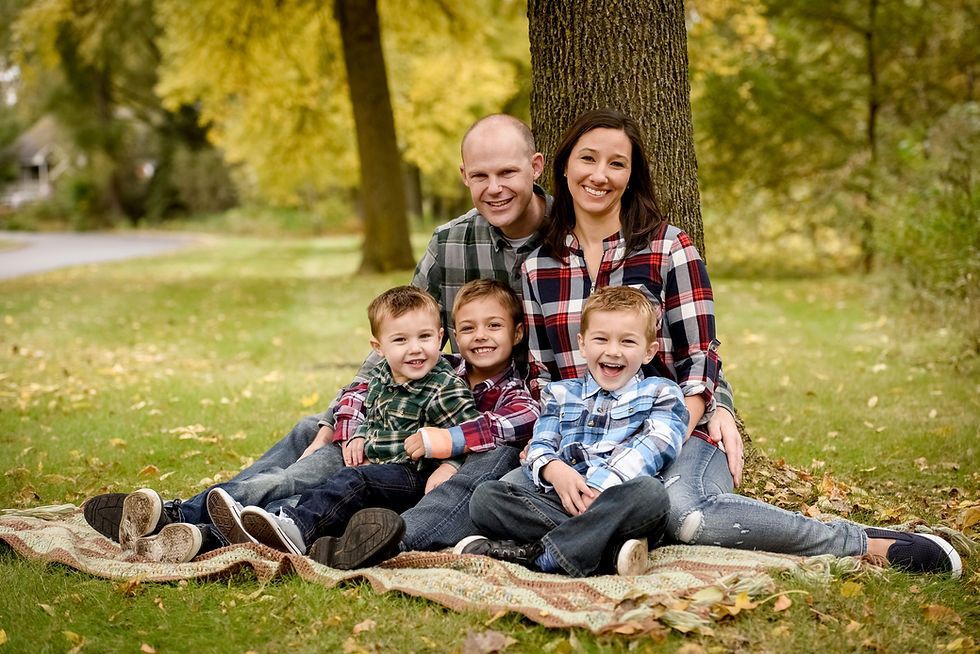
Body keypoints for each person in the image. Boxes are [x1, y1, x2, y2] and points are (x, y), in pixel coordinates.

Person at [83, 114, 552, 560]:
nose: (494, 189)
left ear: (535, 168)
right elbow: (400, 337)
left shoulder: (569, 242)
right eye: (480, 176)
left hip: (500, 429)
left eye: (507, 172)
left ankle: (218, 530)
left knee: (457, 463)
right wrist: (341, 416)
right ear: (464, 176)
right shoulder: (450, 243)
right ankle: (187, 514)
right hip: (428, 406)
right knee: (316, 431)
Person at [518, 107, 961, 577]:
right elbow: (542, 376)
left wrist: (655, 442)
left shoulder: (669, 248)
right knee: (507, 497)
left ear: (632, 175)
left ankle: (860, 542)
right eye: (588, 159)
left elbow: (699, 362)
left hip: (680, 429)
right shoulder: (538, 268)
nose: (600, 176)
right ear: (564, 165)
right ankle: (613, 538)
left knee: (689, 517)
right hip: (584, 442)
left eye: (617, 164)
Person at [216, 280, 538, 569]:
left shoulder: (509, 393)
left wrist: (450, 444)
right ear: (452, 336)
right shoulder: (438, 365)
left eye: (494, 325)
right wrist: (354, 432)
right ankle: (231, 518)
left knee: (350, 483)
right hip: (382, 458)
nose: (480, 336)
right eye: (468, 329)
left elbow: (521, 420)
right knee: (312, 439)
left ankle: (309, 530)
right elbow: (360, 390)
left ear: (517, 332)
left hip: (422, 477)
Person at [456, 287, 687, 576]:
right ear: (582, 344)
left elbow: (656, 445)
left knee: (651, 495)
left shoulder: (661, 392)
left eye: (627, 341)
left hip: (617, 501)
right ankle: (606, 551)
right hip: (559, 497)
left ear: (648, 351)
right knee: (486, 498)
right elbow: (541, 442)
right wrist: (553, 469)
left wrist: (599, 487)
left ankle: (539, 555)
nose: (612, 351)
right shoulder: (560, 393)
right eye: (600, 339)